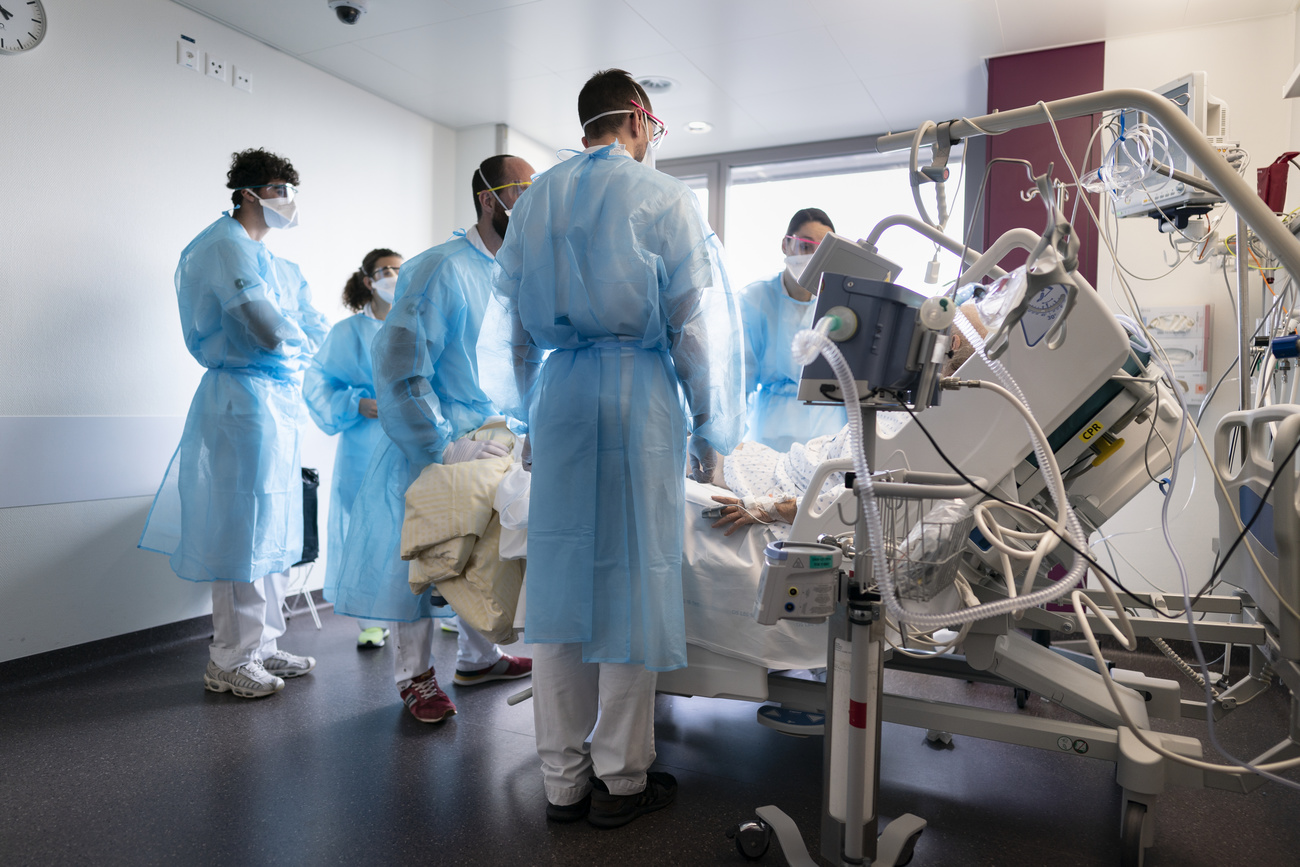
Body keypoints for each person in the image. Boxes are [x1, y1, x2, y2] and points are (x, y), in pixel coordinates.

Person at [491, 69, 744, 828]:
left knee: (561, 585)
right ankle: (622, 779)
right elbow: (693, 330)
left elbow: (510, 332)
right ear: (639, 119)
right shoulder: (663, 198)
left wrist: (528, 418)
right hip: (638, 395)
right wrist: (709, 428)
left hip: (561, 395)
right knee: (632, 582)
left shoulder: (534, 201)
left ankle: (562, 782)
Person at [329, 155, 537, 725]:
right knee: (421, 562)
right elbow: (402, 365)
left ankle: (479, 657)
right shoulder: (439, 268)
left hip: (493, 440)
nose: (532, 200)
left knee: (474, 555)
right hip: (437, 443)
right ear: (489, 199)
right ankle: (415, 677)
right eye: (522, 189)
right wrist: (440, 444)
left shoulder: (516, 271)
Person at [139, 148, 330, 699]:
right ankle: (230, 656)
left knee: (272, 525)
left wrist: (292, 330)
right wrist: (291, 330)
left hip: (274, 401)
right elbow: (269, 329)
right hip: (241, 401)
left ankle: (264, 644)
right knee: (242, 530)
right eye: (276, 189)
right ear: (248, 193)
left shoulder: (273, 263)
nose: (287, 201)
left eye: (289, 189)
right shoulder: (222, 246)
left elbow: (313, 330)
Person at [302, 248, 404, 649]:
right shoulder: (347, 334)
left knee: (419, 525)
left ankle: (437, 609)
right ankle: (371, 619)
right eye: (387, 271)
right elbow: (318, 382)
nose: (395, 277)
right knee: (369, 529)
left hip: (409, 439)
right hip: (363, 442)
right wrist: (355, 404)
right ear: (368, 280)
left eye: (401, 269)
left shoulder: (412, 325)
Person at [740, 208, 846, 451]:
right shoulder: (755, 299)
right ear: (786, 245)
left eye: (822, 252)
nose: (813, 258)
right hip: (771, 435)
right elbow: (739, 384)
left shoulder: (839, 305)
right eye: (806, 246)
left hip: (828, 436)